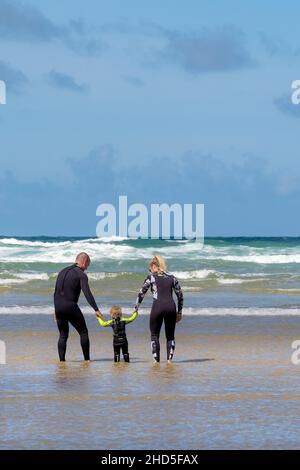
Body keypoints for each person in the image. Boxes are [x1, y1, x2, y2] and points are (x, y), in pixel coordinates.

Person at [54, 252, 102, 362]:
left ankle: (62, 361)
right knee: (83, 332)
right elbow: (87, 293)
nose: (86, 268)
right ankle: (87, 360)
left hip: (59, 306)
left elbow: (56, 292)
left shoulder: (62, 272)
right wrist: (96, 309)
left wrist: (56, 311)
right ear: (84, 262)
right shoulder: (81, 274)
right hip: (70, 306)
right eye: (87, 266)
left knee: (63, 335)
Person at [135, 255, 183, 363]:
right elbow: (180, 295)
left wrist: (136, 308)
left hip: (158, 306)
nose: (149, 270)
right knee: (170, 336)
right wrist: (179, 312)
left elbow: (141, 293)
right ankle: (169, 361)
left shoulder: (151, 277)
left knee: (154, 335)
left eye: (150, 268)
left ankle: (156, 362)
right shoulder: (172, 277)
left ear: (154, 265)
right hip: (171, 307)